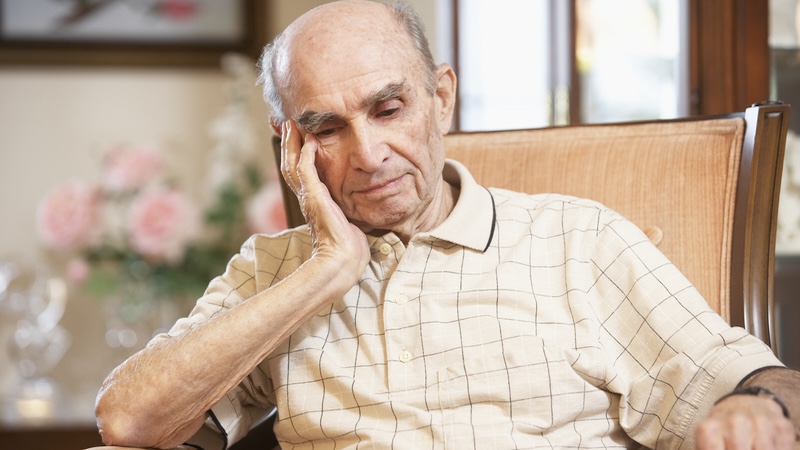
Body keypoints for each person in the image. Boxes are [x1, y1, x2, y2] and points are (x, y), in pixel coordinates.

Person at [94, 1, 800, 449]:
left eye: (389, 107)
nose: (368, 154)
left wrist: (761, 408)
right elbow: (129, 422)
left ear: (441, 95)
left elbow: (765, 382)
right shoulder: (274, 271)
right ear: (290, 146)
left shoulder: (578, 242)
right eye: (326, 128)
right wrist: (327, 270)